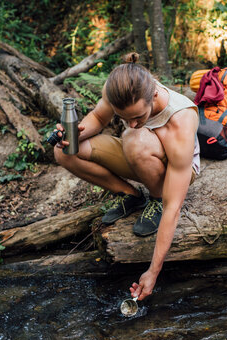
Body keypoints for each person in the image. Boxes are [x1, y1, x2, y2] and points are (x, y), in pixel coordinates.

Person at [54, 53, 200, 301]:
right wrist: (72, 136)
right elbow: (99, 118)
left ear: (154, 94)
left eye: (138, 117)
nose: (131, 123)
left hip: (174, 168)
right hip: (137, 155)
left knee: (134, 139)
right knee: (65, 152)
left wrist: (153, 271)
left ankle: (154, 198)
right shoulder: (118, 88)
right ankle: (131, 195)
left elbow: (173, 206)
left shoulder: (181, 118)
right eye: (125, 118)